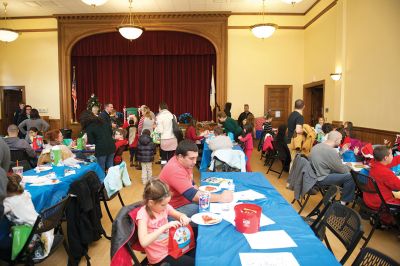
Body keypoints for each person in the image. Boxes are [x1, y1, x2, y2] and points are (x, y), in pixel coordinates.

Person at [159, 140, 233, 217]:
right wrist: (221, 197)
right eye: (191, 158)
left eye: (196, 158)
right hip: (173, 210)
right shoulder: (174, 169)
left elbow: (191, 183)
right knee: (208, 210)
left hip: (184, 202)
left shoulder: (185, 162)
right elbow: (193, 196)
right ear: (180, 157)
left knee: (210, 201)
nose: (195, 162)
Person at [136, 179, 194, 266]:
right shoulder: (143, 215)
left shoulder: (164, 207)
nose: (166, 206)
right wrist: (165, 227)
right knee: (193, 263)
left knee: (196, 254)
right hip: (159, 257)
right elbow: (144, 242)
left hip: (172, 247)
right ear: (151, 203)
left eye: (167, 203)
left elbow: (178, 214)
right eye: (163, 204)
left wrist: (183, 217)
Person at [309, 131, 355, 205]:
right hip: (322, 178)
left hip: (314, 176)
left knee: (341, 173)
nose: (340, 142)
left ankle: (333, 196)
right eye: (340, 140)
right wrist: (349, 166)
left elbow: (329, 160)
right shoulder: (330, 151)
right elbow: (343, 170)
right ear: (336, 140)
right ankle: (342, 203)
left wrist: (341, 152)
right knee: (350, 177)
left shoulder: (317, 146)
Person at [364, 146, 400, 211]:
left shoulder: (373, 163)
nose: (393, 156)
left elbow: (392, 161)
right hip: (380, 203)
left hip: (369, 199)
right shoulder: (385, 172)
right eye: (391, 154)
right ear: (386, 158)